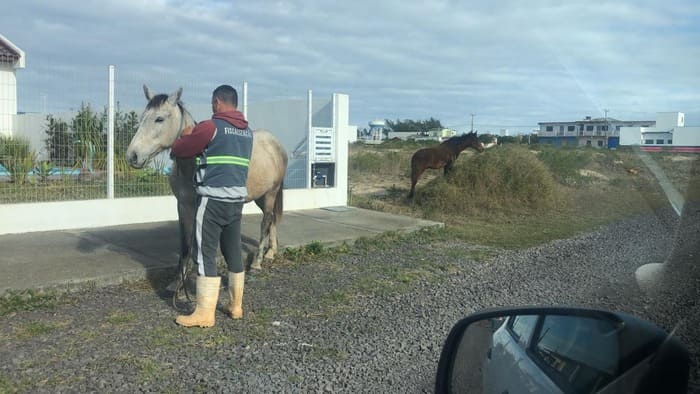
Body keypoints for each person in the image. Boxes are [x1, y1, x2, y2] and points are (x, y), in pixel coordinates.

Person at [170, 84, 253, 328]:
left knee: (205, 253)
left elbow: (180, 151)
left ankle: (204, 314)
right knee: (233, 252)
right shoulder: (247, 131)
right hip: (236, 201)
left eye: (212, 103)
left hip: (213, 200)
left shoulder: (210, 127)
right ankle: (236, 306)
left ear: (217, 102)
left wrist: (186, 136)